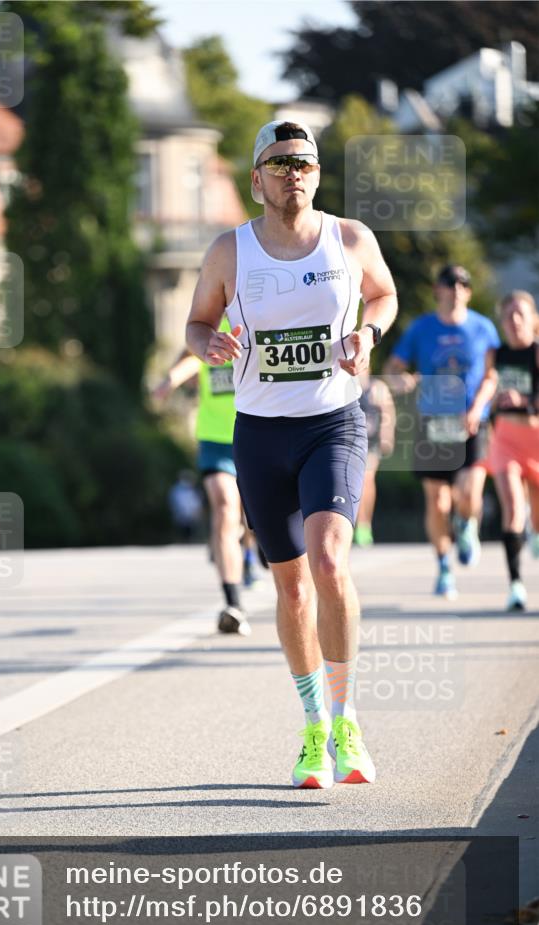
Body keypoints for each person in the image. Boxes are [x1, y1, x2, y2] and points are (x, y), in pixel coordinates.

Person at [186, 119, 397, 788]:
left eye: (303, 162)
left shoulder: (350, 239)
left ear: (317, 174)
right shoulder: (230, 251)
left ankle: (345, 718)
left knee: (329, 560)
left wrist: (368, 333)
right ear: (257, 180)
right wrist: (206, 344)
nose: (292, 173)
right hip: (259, 434)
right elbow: (195, 322)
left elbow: (384, 294)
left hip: (332, 423)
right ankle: (312, 727)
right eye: (279, 164)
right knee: (290, 586)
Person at [384, 264, 499, 599]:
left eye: (464, 284)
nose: (457, 290)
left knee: (469, 495)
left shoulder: (483, 328)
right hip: (433, 422)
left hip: (471, 422)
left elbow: (492, 376)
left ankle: (467, 525)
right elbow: (393, 368)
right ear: (438, 289)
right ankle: (444, 566)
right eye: (450, 283)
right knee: (437, 501)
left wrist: (477, 408)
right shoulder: (421, 328)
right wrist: (401, 380)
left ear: (469, 292)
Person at [153, 325, 255, 636]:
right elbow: (192, 358)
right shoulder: (208, 322)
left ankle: (254, 549)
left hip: (257, 434)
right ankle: (233, 604)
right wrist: (171, 379)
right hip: (215, 441)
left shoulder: (257, 313)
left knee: (253, 518)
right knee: (225, 508)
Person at [487, 290, 539, 611]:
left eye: (521, 314)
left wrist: (525, 401)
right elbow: (488, 384)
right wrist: (481, 406)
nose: (515, 321)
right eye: (508, 316)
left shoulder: (537, 352)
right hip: (506, 438)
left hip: (536, 438)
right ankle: (516, 585)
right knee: (514, 508)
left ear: (532, 319)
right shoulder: (496, 354)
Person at [354, 370, 396, 546]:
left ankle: (364, 525)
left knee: (367, 480)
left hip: (371, 441)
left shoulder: (377, 387)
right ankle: (353, 523)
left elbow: (388, 412)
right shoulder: (343, 385)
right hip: (349, 440)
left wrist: (387, 436)